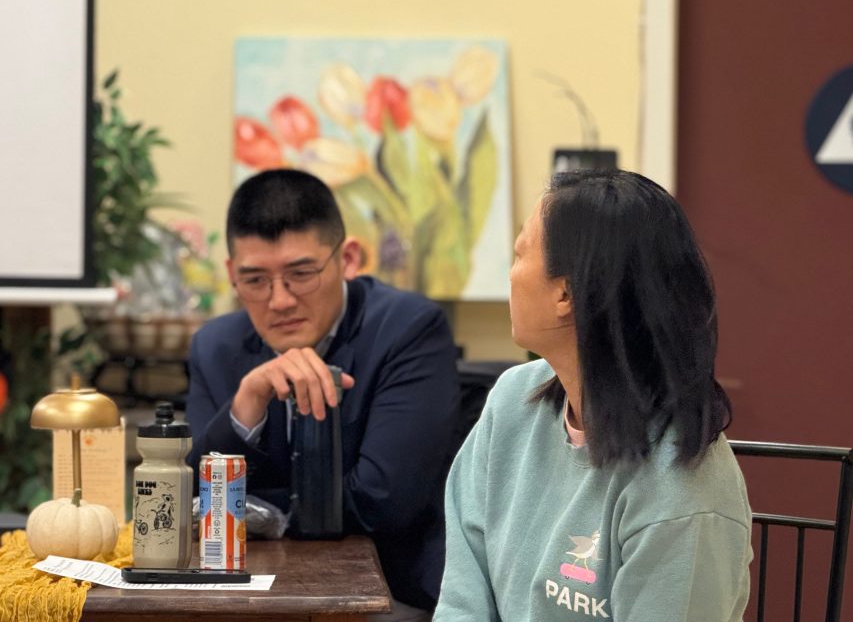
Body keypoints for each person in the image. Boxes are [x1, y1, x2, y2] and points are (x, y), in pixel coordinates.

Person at [434, 169, 753, 621]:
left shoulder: (685, 490)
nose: (511, 273)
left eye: (519, 253)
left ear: (565, 292)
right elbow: (463, 595)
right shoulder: (510, 401)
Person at [185, 168, 459, 619]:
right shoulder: (215, 347)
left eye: (301, 273)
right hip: (246, 592)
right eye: (255, 280)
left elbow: (383, 505)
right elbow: (194, 501)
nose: (280, 301)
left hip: (389, 590)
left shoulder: (408, 330)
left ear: (347, 259)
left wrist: (260, 514)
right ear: (232, 275)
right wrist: (247, 404)